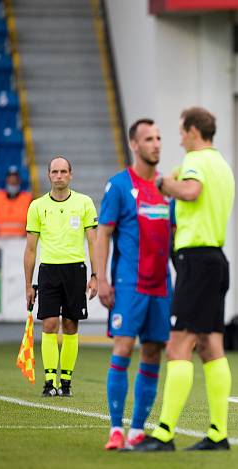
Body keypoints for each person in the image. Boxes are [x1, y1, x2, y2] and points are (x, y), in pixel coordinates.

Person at [132, 107, 235, 452]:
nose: (177, 138)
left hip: (196, 260)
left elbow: (190, 191)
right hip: (216, 259)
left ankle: (164, 434)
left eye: (180, 131)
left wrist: (164, 183)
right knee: (210, 346)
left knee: (178, 346)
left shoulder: (196, 160)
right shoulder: (222, 164)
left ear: (193, 131)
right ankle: (218, 433)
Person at [97, 119, 173, 450]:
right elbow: (103, 234)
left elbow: (172, 237)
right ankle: (116, 429)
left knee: (154, 352)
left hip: (161, 285)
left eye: (158, 138)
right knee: (124, 347)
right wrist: (101, 278)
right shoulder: (117, 186)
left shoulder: (167, 188)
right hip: (129, 284)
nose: (156, 144)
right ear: (134, 144)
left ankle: (138, 430)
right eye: (148, 139)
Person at [24, 157, 98, 397]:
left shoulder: (84, 203)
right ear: (48, 176)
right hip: (49, 271)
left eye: (63, 171)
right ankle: (49, 382)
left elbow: (94, 242)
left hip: (76, 270)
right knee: (48, 324)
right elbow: (31, 249)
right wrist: (28, 285)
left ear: (70, 175)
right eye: (54, 172)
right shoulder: (37, 206)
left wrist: (96, 275)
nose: (59, 175)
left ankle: (65, 383)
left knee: (70, 325)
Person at [0, 166, 32, 237]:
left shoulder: (27, 198)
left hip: (21, 240)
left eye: (15, 179)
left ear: (19, 180)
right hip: (0, 240)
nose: (13, 181)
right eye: (10, 179)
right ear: (6, 180)